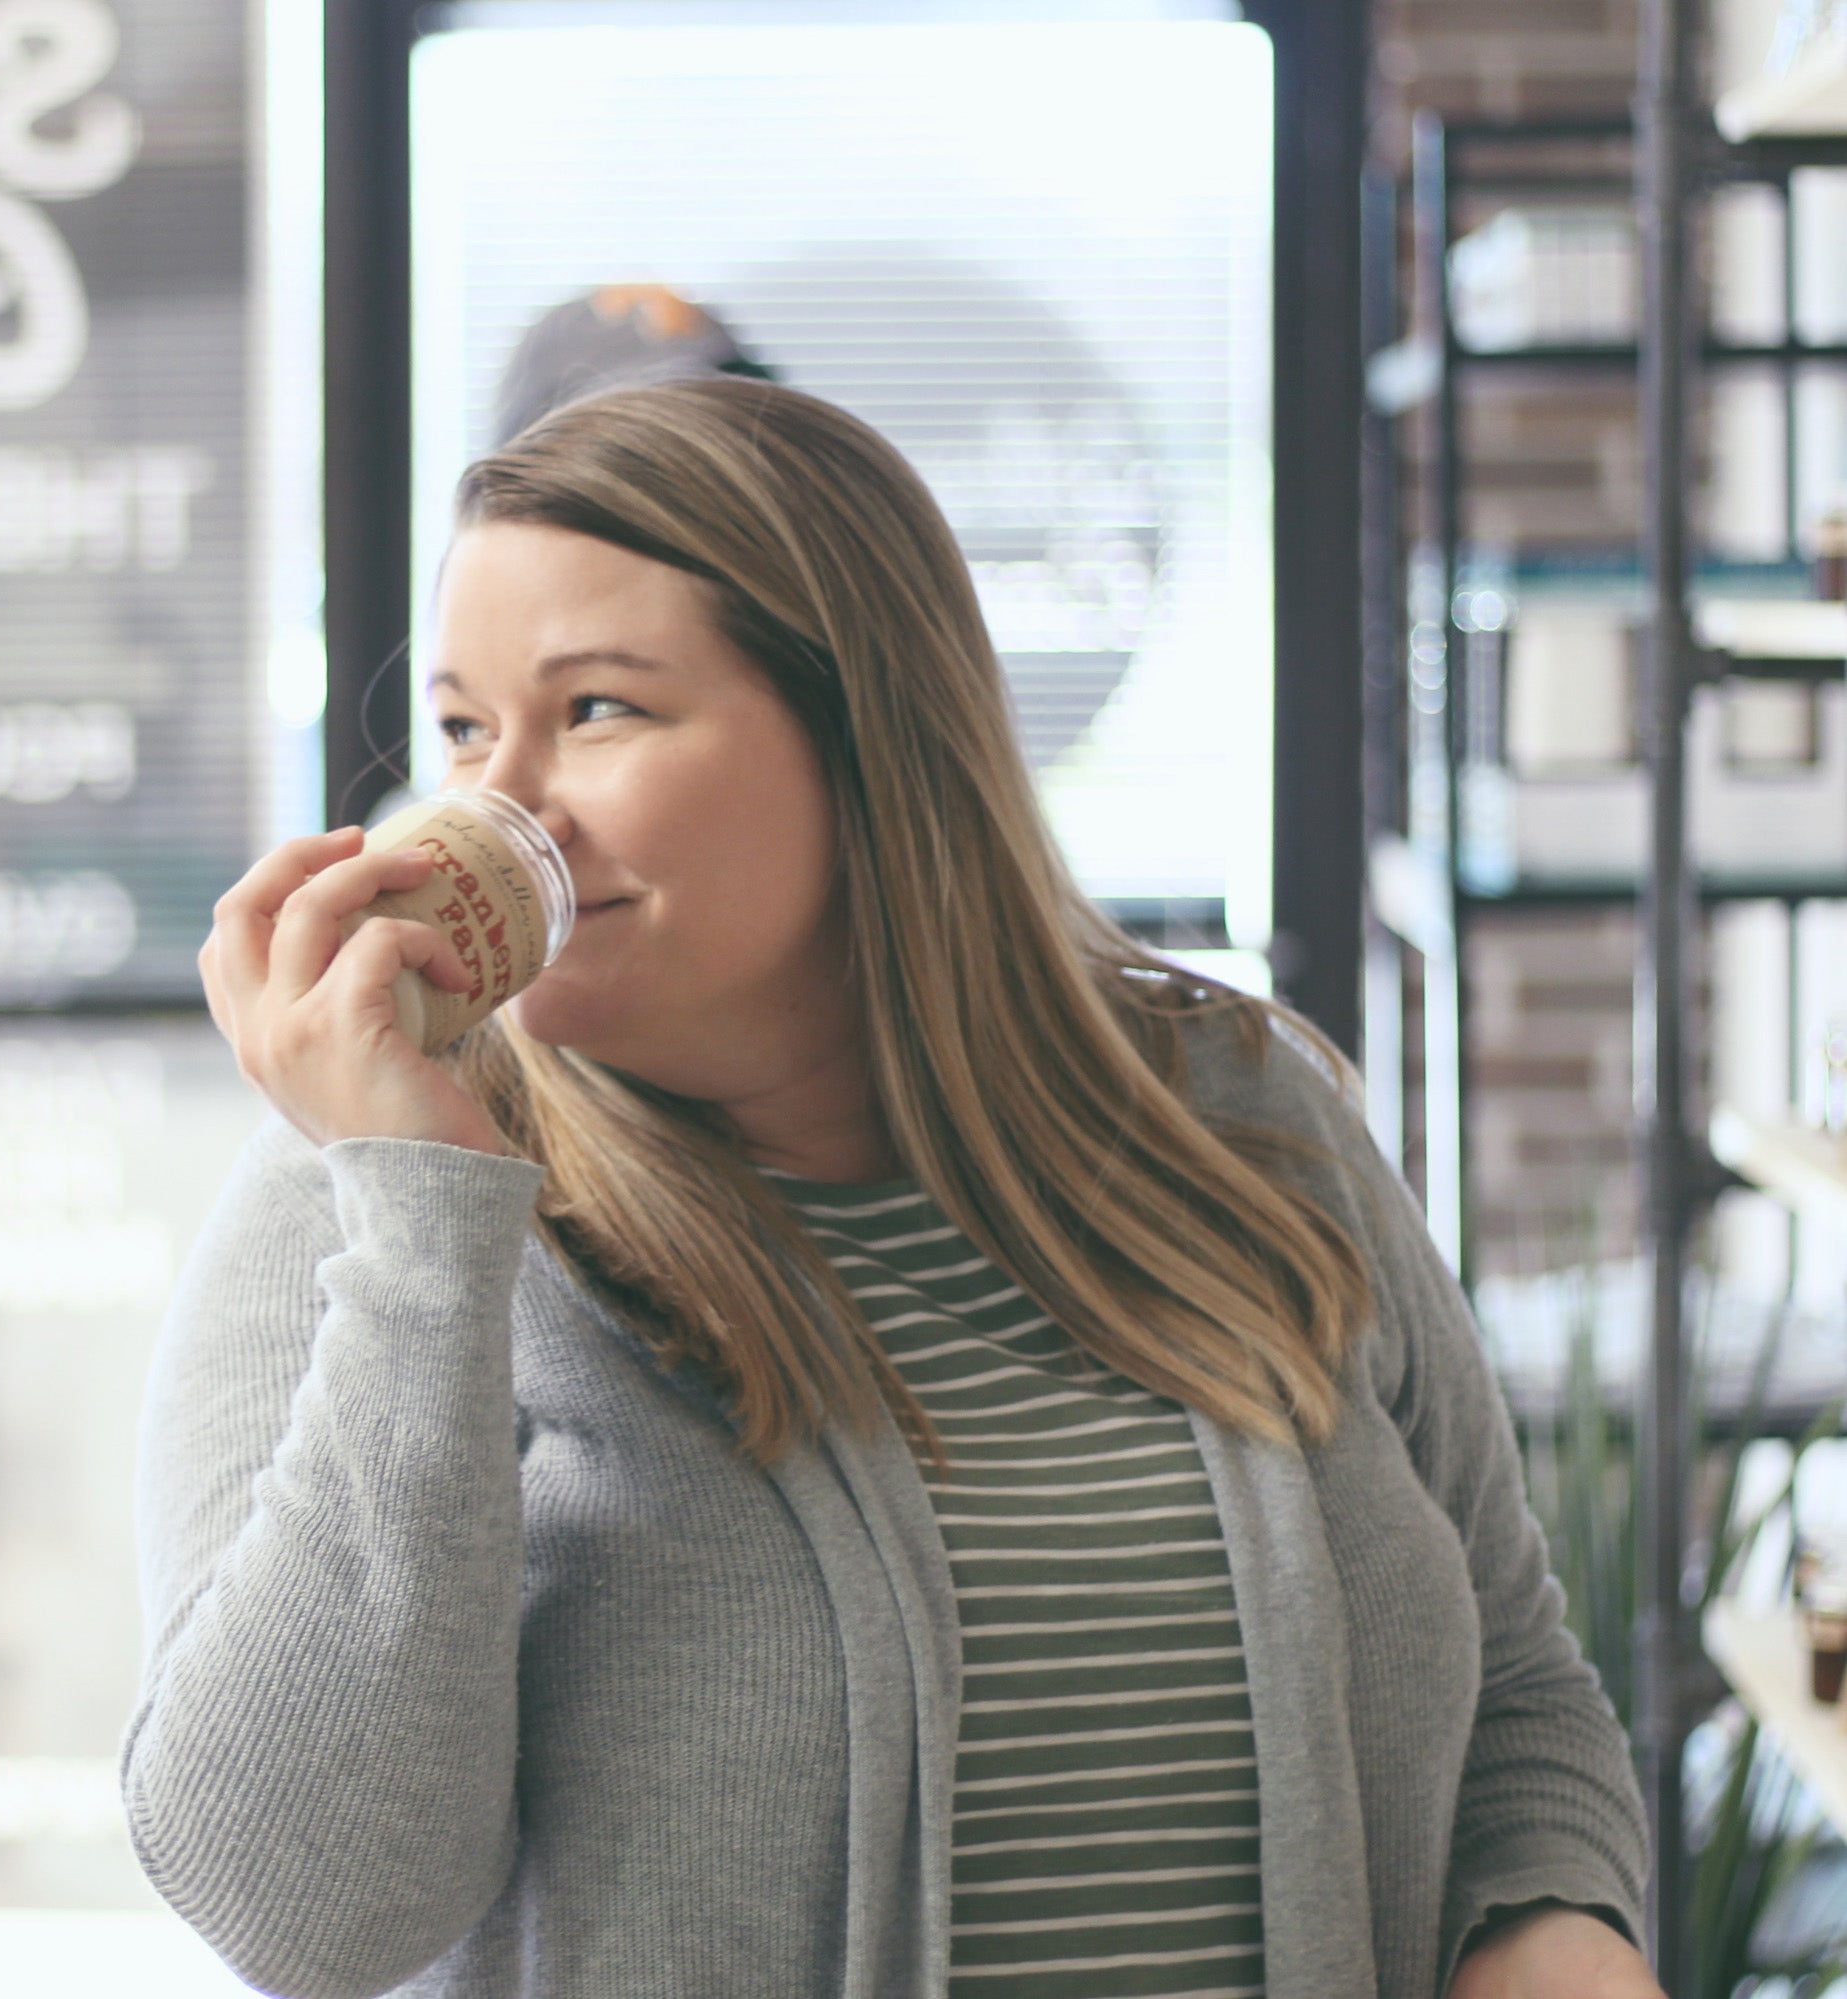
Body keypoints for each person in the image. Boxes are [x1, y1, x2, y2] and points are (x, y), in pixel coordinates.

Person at [125, 376, 1656, 1999]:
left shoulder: (1244, 1118)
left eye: (597, 711)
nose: (501, 807)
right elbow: (303, 1913)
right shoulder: (366, 1206)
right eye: (460, 728)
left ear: (866, 736)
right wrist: (422, 1222)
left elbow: (1516, 1699)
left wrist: (1555, 1943)